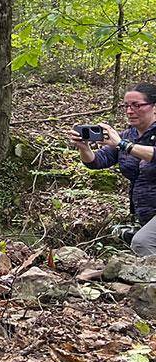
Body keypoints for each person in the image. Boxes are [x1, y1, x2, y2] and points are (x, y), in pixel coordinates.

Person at [70, 83, 156, 256]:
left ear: (154, 107)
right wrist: (84, 148)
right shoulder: (126, 136)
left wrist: (123, 145)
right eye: (126, 106)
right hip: (145, 214)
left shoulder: (123, 141)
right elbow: (97, 161)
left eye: (137, 105)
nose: (130, 111)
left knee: (142, 243)